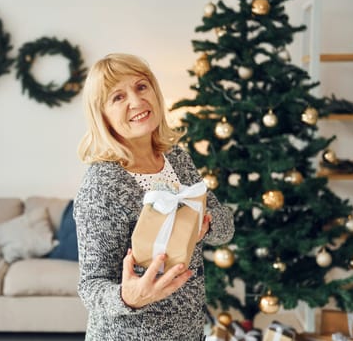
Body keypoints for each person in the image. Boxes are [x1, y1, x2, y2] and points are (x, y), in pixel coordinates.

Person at [74, 53, 234, 340]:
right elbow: (91, 287)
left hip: (188, 332)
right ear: (103, 116)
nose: (136, 102)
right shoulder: (101, 186)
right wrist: (130, 298)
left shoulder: (178, 160)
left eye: (141, 87)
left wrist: (205, 224)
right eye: (118, 97)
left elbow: (225, 228)